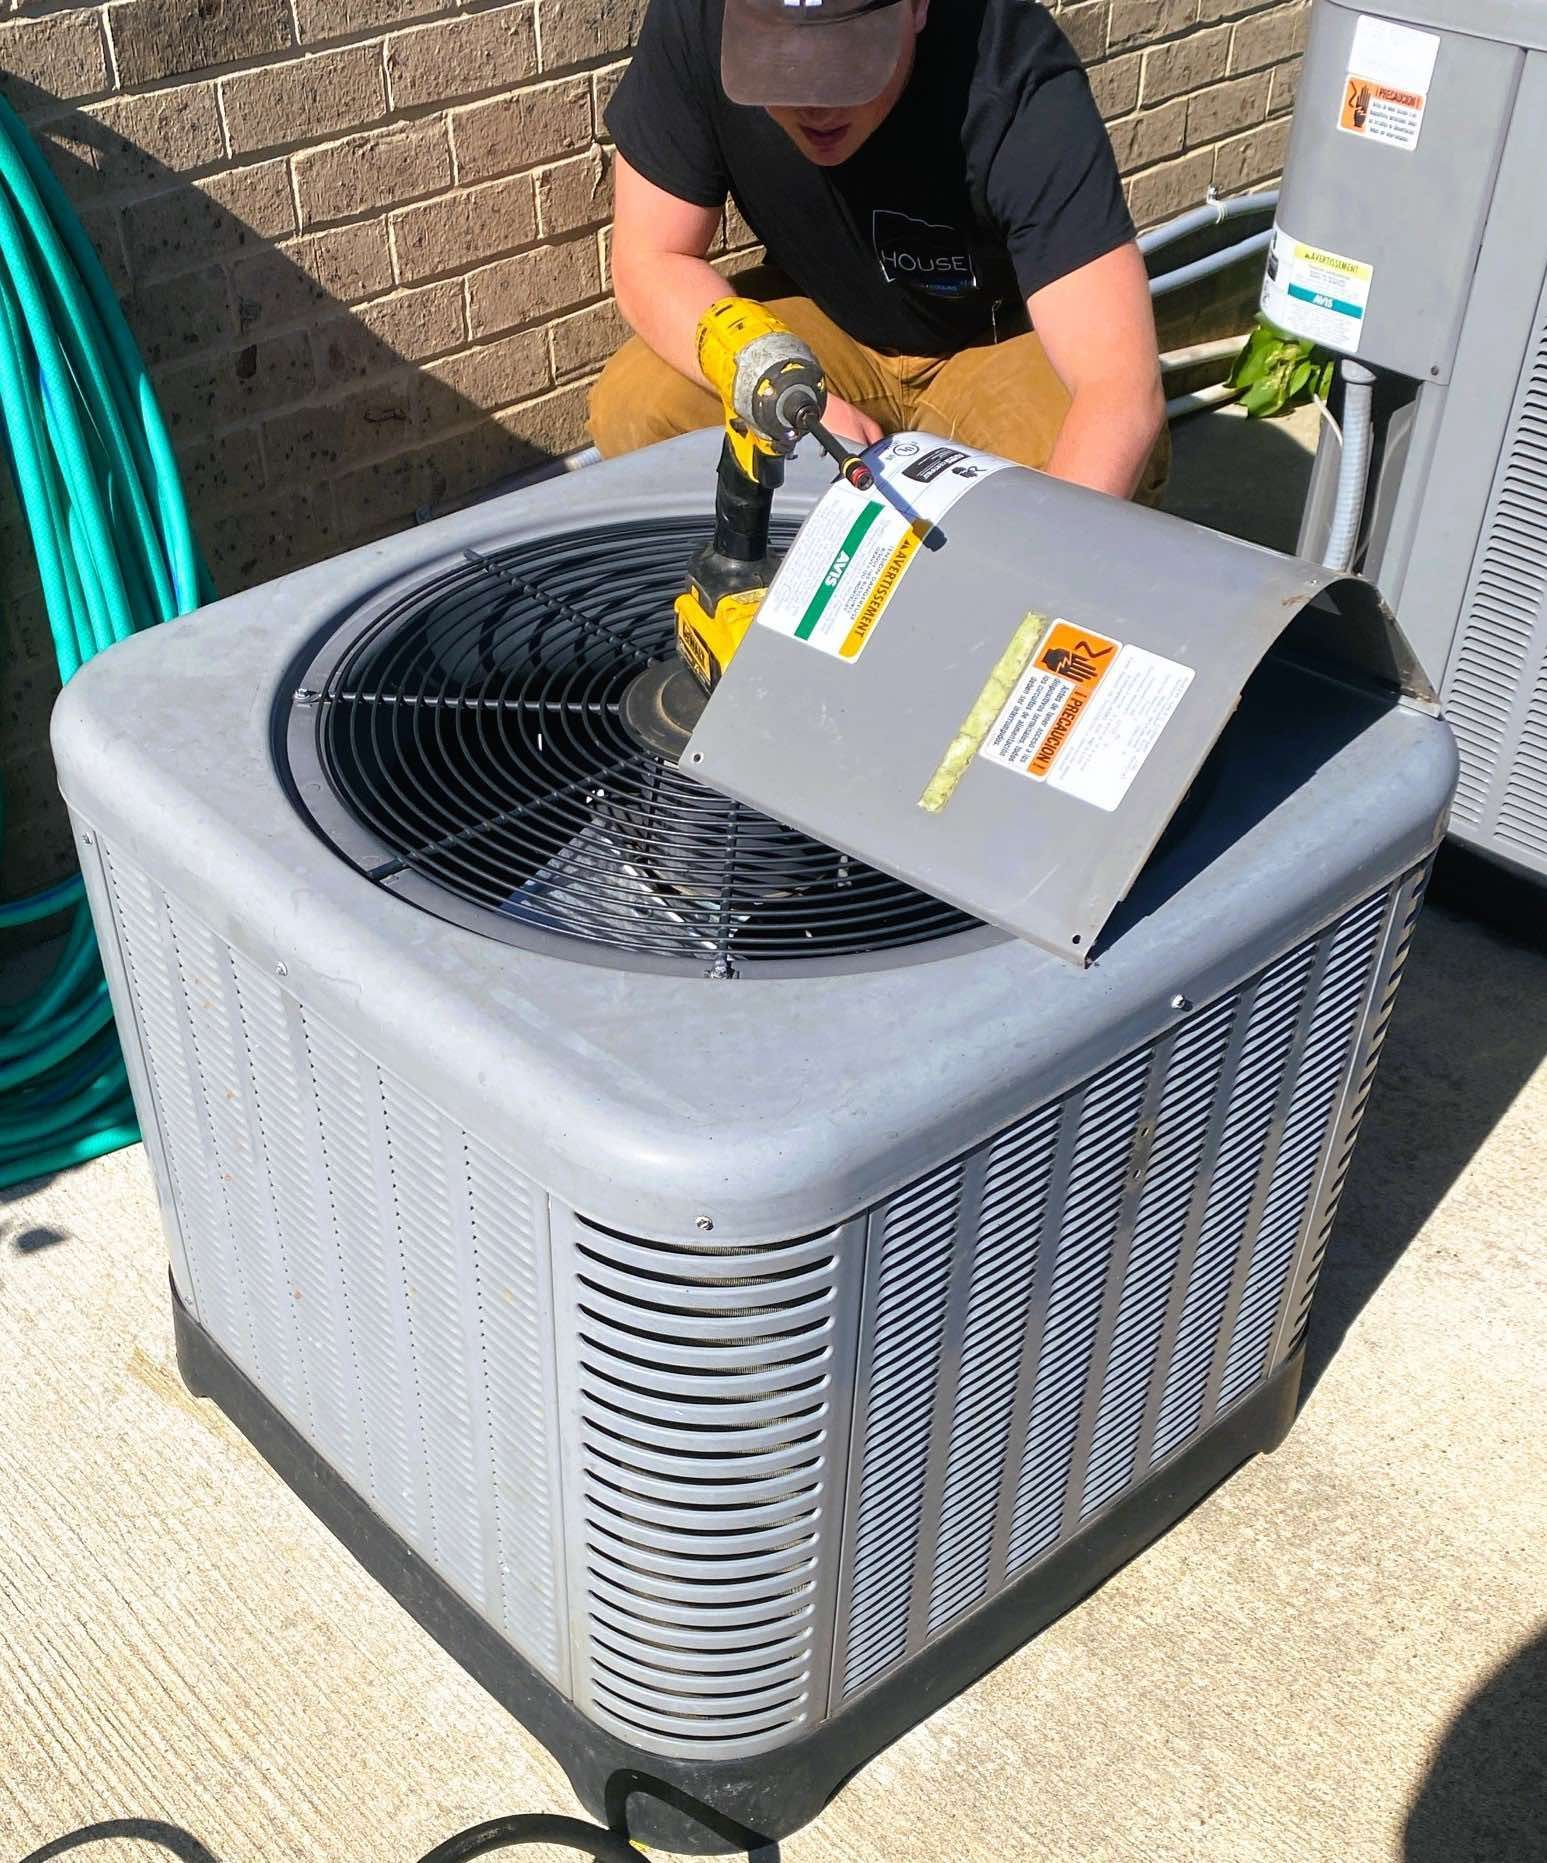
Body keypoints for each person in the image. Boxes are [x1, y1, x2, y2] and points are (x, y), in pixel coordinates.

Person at [590, 0, 1170, 503]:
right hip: (832, 326)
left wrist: (1038, 593)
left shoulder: (1011, 69)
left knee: (1086, 470)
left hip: (996, 343)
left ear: (916, 7)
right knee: (640, 402)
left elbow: (1116, 388)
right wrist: (776, 385)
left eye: (846, 65)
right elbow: (653, 258)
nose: (814, 106)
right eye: (780, 65)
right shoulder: (701, 20)